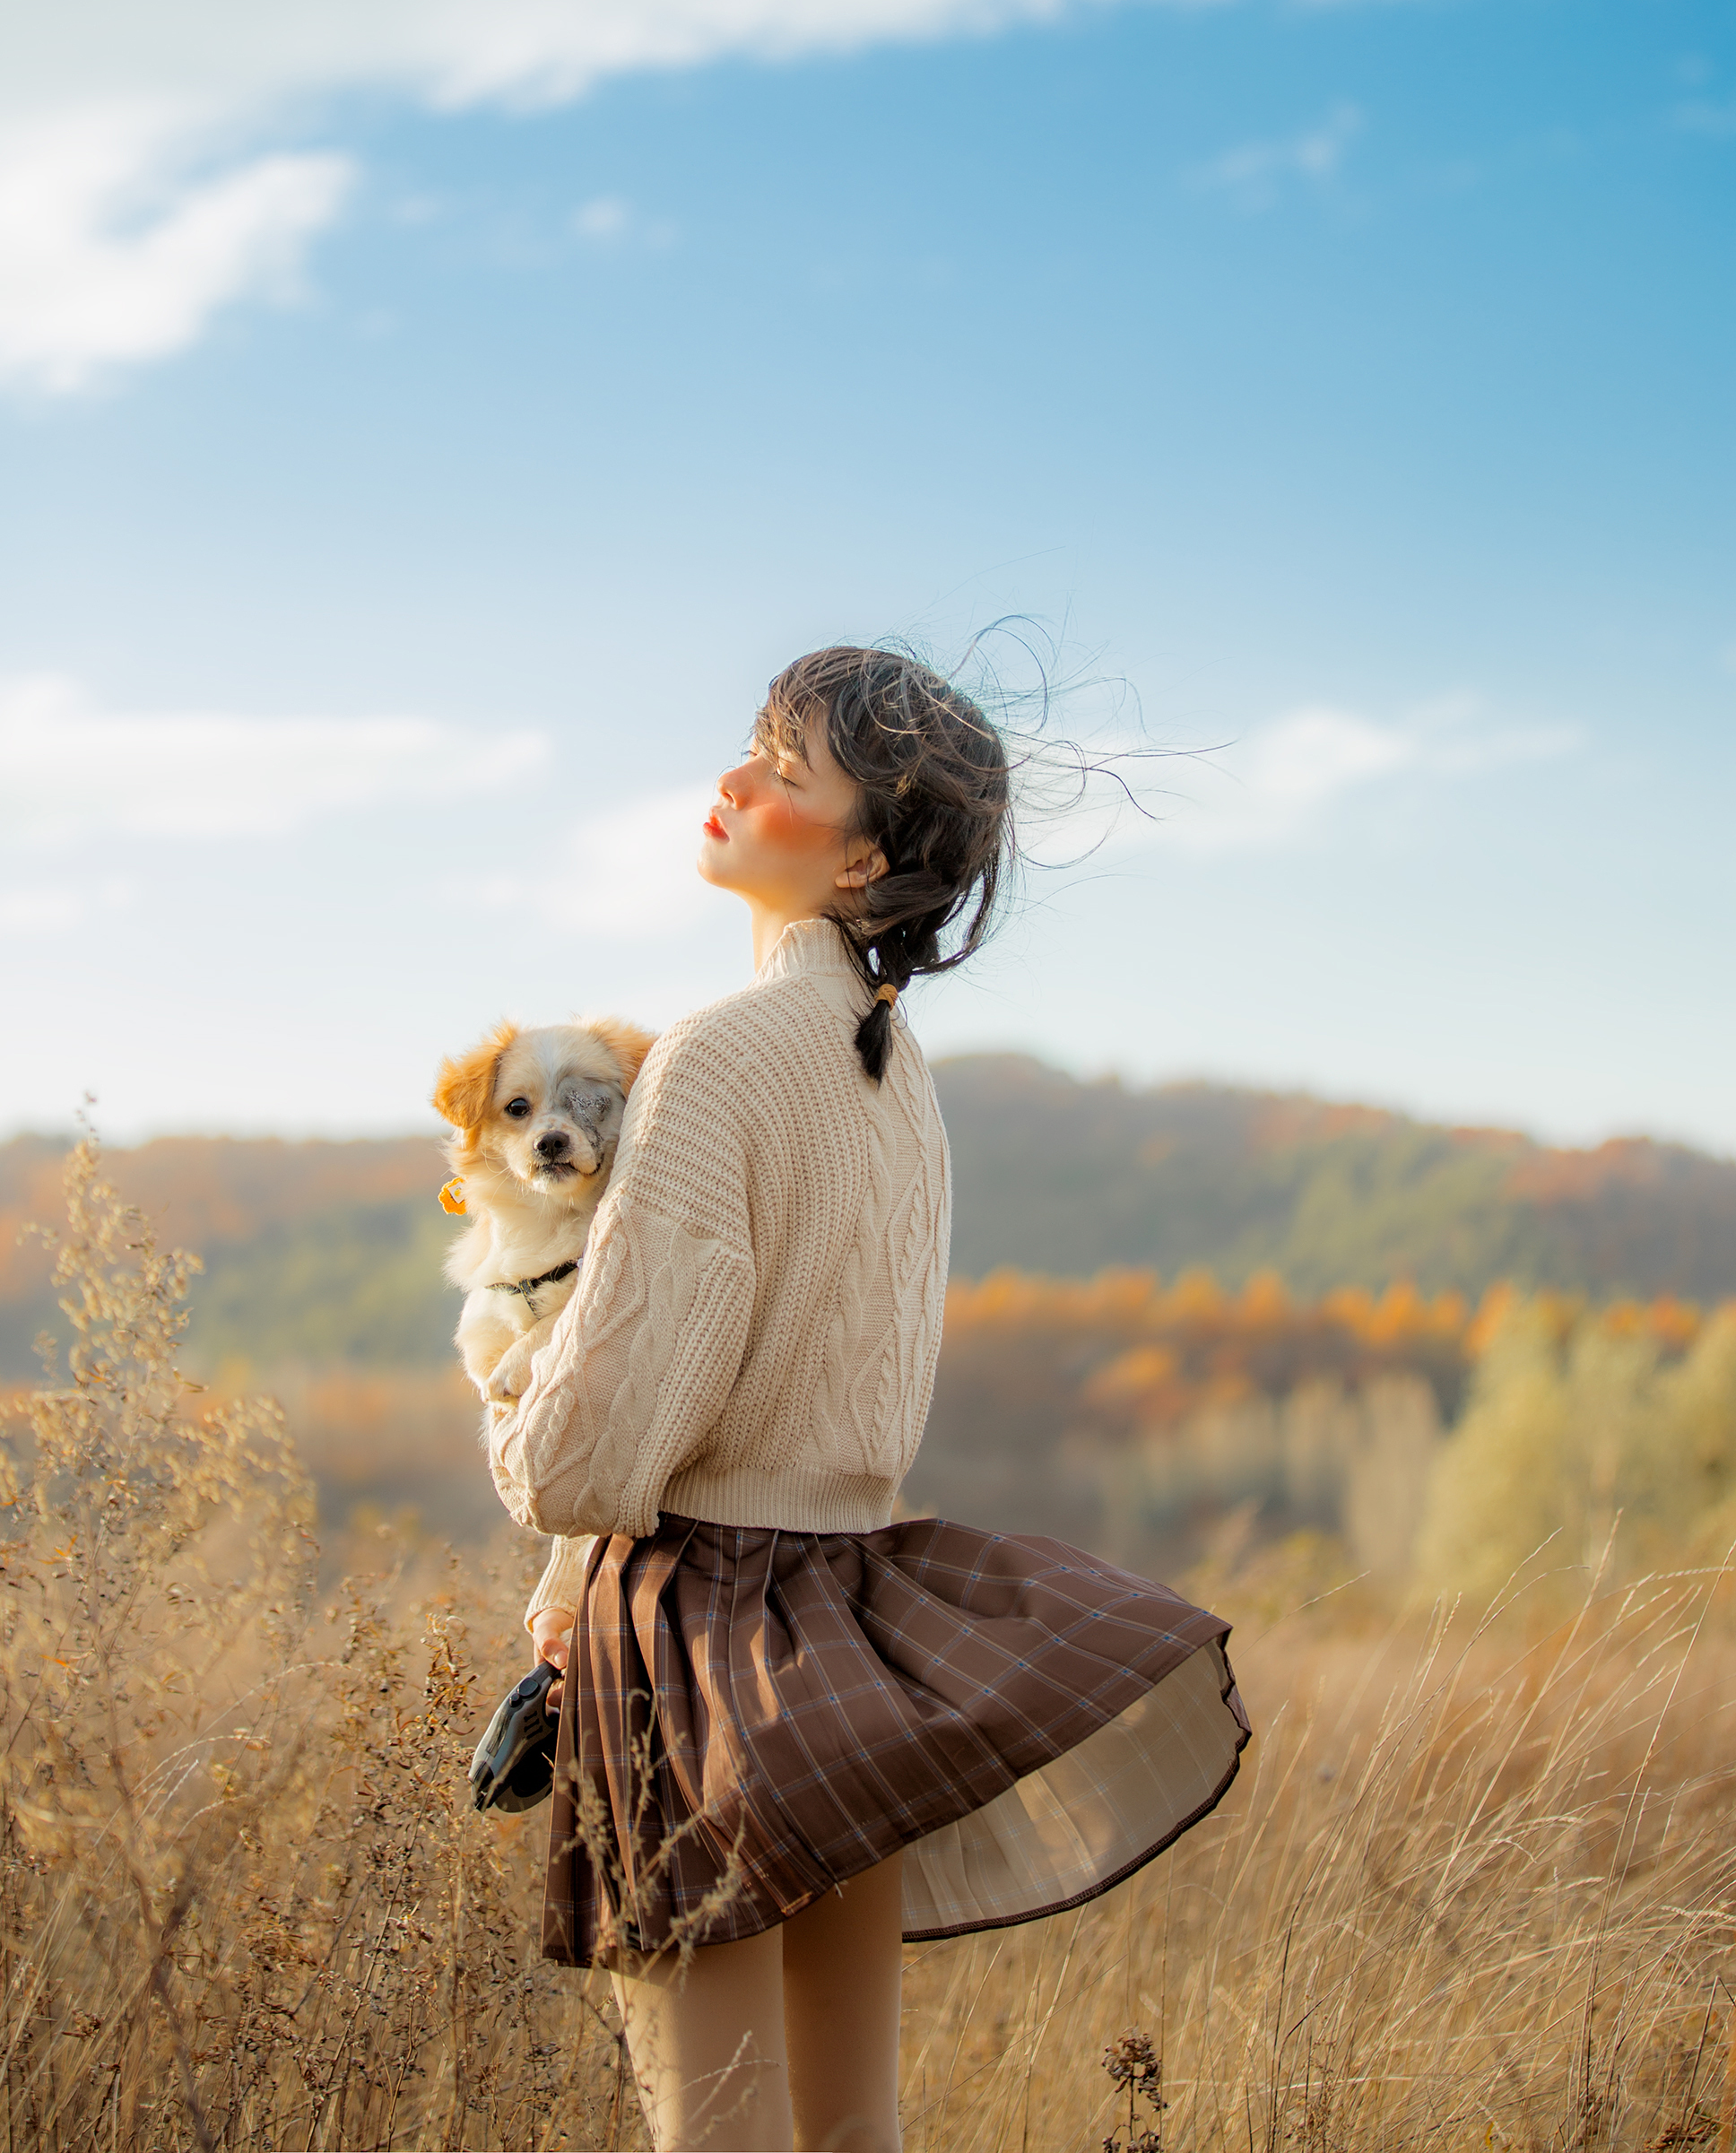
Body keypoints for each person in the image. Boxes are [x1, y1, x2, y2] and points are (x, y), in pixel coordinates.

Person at [486, 644, 1248, 2153]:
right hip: (843, 1623)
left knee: (716, 2126)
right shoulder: (905, 1082)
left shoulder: (716, 1057)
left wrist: (511, 1387)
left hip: (700, 1633)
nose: (733, 782)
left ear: (862, 856)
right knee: (851, 2129)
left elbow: (587, 1456)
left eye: (781, 770)